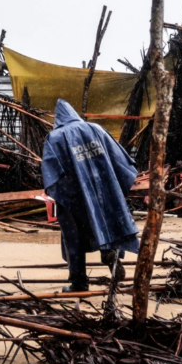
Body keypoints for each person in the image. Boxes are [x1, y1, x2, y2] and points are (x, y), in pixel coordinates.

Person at [41, 99, 140, 292]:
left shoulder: (55, 137)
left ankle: (79, 283)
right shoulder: (96, 129)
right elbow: (120, 160)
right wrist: (115, 187)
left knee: (73, 235)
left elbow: (51, 170)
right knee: (106, 223)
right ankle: (109, 252)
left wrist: (60, 192)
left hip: (73, 195)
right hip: (103, 188)